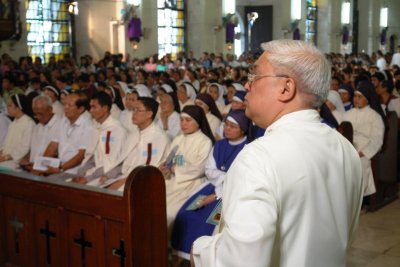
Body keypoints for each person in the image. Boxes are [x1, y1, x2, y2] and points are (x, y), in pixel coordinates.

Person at [191, 40, 363, 267]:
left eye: (255, 77)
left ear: (286, 88)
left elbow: (239, 261)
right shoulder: (345, 149)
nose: (247, 85)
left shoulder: (258, 157)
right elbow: (345, 235)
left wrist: (200, 251)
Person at [171, 110, 250, 265]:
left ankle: (205, 261)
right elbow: (209, 169)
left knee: (213, 224)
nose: (227, 129)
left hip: (232, 193)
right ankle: (184, 257)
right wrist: (223, 177)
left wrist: (216, 194)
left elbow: (240, 178)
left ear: (243, 129)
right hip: (211, 185)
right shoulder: (219, 144)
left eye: (232, 126)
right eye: (226, 124)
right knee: (186, 214)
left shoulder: (249, 149)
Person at [159, 105, 215, 235]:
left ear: (197, 121)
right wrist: (165, 166)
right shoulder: (178, 139)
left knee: (170, 213)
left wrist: (174, 169)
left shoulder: (204, 141)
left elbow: (199, 169)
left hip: (192, 185)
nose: (183, 124)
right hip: (174, 182)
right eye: (181, 120)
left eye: (188, 120)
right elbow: (172, 160)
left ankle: (169, 247)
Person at [71, 92, 127, 184]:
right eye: (90, 107)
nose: (91, 110)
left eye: (94, 107)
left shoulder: (118, 130)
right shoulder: (95, 127)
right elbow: (92, 156)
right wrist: (81, 173)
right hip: (93, 171)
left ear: (105, 108)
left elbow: (115, 163)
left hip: (108, 175)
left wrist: (89, 178)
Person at [343, 81, 385, 196]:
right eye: (355, 96)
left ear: (367, 99)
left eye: (360, 97)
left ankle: (358, 198)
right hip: (347, 148)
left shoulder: (375, 116)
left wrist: (363, 152)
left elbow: (377, 140)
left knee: (359, 164)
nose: (356, 99)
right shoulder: (347, 114)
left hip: (363, 151)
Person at [19, 95, 62, 172]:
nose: (36, 115)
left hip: (48, 171)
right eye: (34, 112)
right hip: (32, 168)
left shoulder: (60, 125)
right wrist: (26, 161)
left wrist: (37, 166)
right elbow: (33, 151)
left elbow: (55, 153)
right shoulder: (37, 127)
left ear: (50, 110)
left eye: (40, 112)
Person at [0, 94, 35, 168]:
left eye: (10, 105)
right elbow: (5, 144)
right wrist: (1, 153)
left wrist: (6, 157)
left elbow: (24, 148)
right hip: (5, 158)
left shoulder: (29, 123)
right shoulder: (12, 124)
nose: (7, 108)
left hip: (17, 161)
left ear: (19, 107)